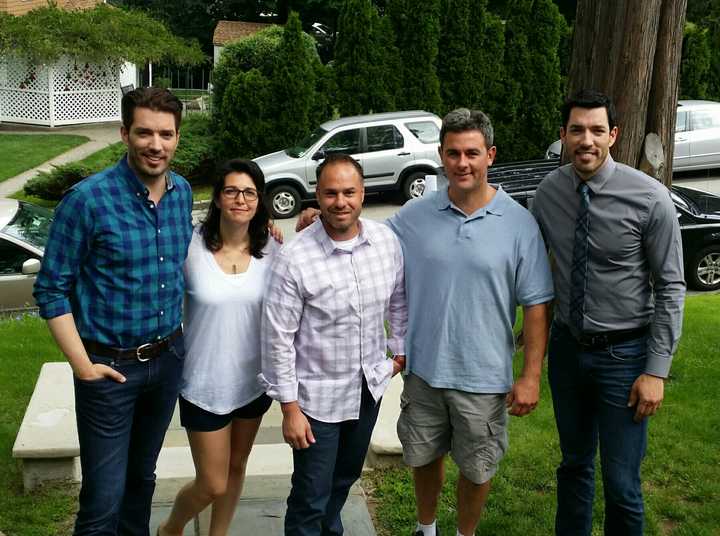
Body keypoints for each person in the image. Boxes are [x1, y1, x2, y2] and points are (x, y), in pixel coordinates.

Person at [296, 109, 554, 536]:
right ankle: (426, 527)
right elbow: (362, 234)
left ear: (490, 154)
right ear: (441, 156)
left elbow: (537, 305)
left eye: (472, 153)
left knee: (477, 464)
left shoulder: (519, 224)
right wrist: (316, 218)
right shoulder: (415, 216)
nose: (462, 163)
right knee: (423, 454)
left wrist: (530, 375)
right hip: (424, 371)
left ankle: (464, 533)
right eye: (452, 153)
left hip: (485, 375)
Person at [33, 87, 193, 535]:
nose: (155, 144)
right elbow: (51, 289)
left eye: (166, 134)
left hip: (165, 362)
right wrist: (83, 366)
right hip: (107, 370)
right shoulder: (87, 201)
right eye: (144, 132)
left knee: (141, 481)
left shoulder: (180, 193)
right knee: (103, 499)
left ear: (178, 137)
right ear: (125, 133)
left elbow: (223, 243)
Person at [532, 89, 685, 535]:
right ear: (563, 136)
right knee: (574, 466)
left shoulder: (650, 198)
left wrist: (656, 371)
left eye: (597, 130)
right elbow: (519, 253)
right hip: (566, 351)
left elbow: (673, 285)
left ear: (613, 135)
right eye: (577, 130)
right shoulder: (548, 194)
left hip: (625, 357)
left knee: (622, 483)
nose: (587, 140)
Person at [259, 153, 408, 536]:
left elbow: (399, 301)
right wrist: (290, 409)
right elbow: (278, 338)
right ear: (316, 195)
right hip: (316, 402)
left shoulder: (385, 241)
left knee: (343, 480)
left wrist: (399, 353)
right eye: (330, 193)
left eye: (348, 192)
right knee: (310, 494)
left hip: (366, 390)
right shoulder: (295, 258)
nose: (340, 202)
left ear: (363, 193)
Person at [158, 159, 277, 536]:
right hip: (203, 384)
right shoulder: (190, 244)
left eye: (249, 192)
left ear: (259, 200)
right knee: (212, 482)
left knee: (237, 466)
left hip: (253, 382)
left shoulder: (274, 248)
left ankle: (217, 534)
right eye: (231, 191)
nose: (240, 199)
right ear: (218, 198)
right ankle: (172, 527)